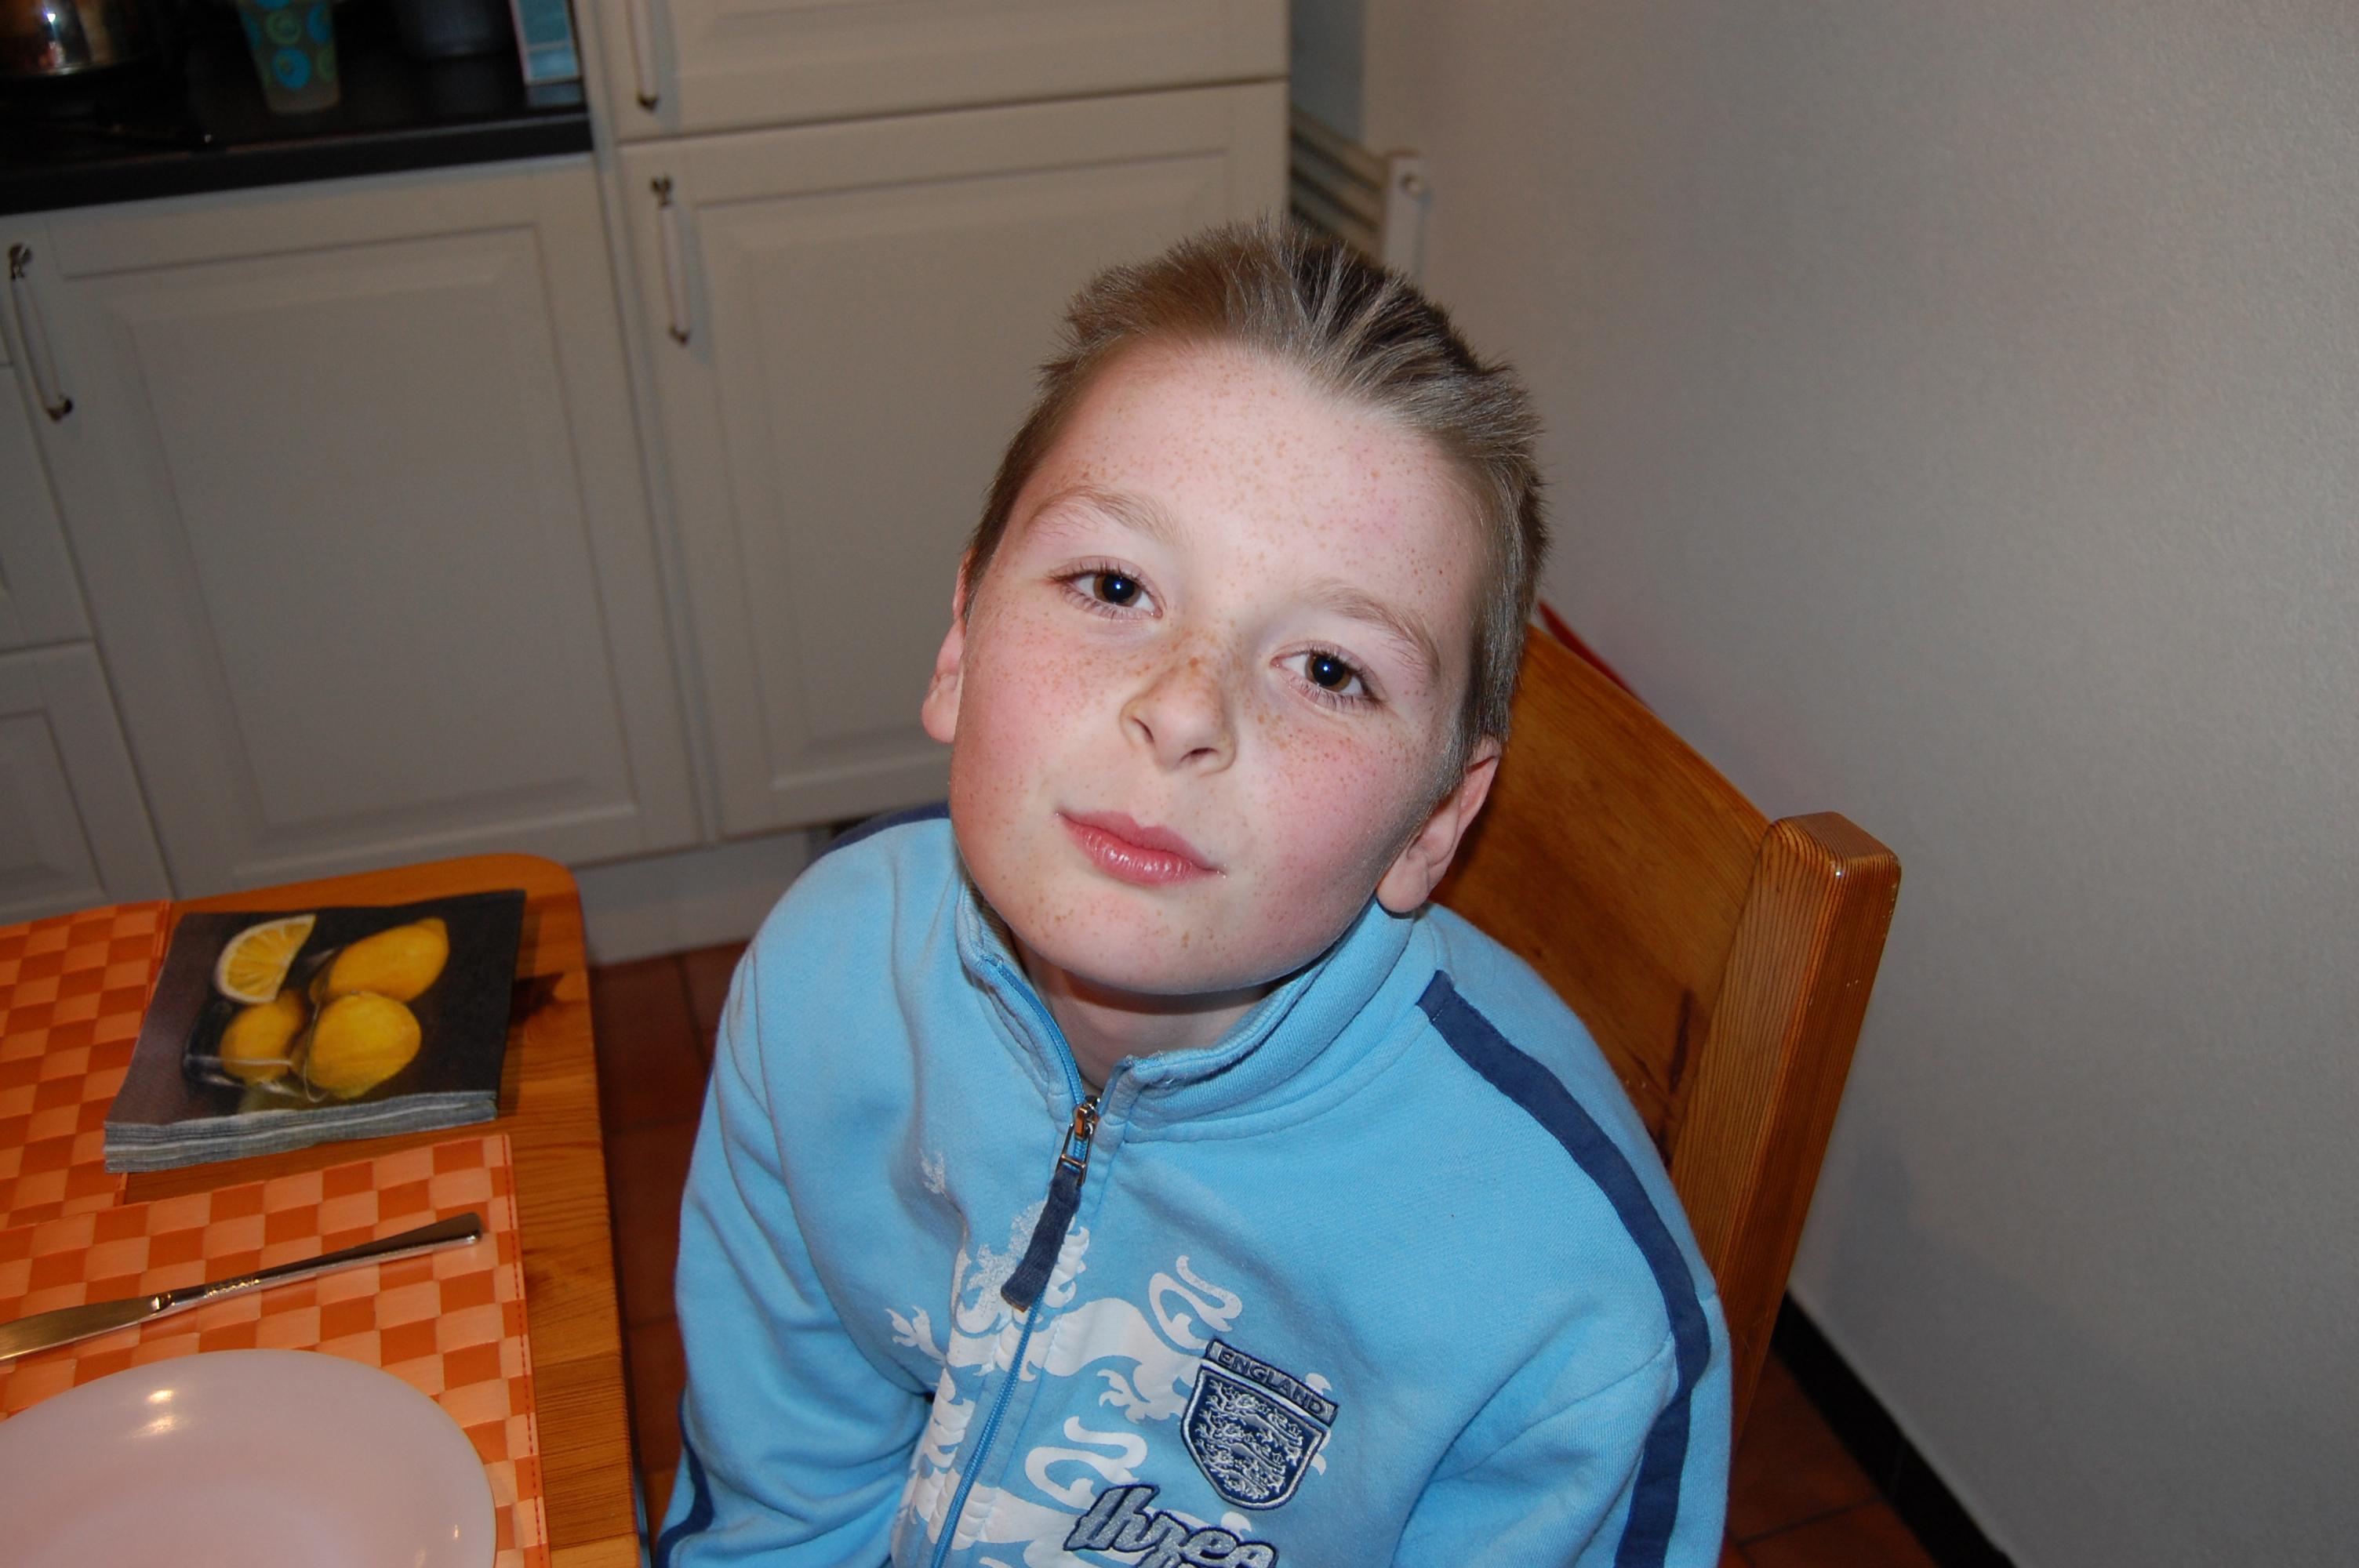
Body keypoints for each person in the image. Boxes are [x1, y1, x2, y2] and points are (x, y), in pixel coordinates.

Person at [657, 220, 1731, 1568]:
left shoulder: (1567, 1307)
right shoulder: (827, 980)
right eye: (1115, 586)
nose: (1182, 711)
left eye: (1329, 670)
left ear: (1438, 821)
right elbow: (783, 1508)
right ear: (960, 641)